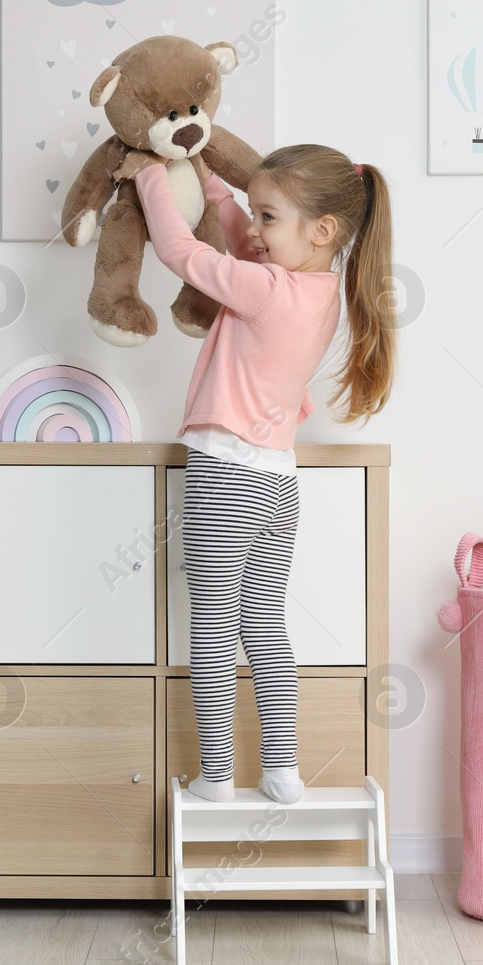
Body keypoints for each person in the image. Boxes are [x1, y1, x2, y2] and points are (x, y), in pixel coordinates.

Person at [116, 143, 396, 803]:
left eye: (269, 217)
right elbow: (241, 237)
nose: (254, 230)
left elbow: (183, 252)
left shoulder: (268, 288)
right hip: (277, 484)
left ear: (321, 230)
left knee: (212, 625)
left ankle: (215, 777)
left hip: (225, 477)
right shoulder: (322, 292)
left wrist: (152, 175)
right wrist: (213, 182)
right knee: (265, 625)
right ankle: (282, 770)